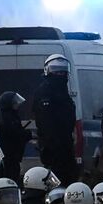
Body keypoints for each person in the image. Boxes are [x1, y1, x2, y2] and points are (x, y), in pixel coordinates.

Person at [34, 54, 80, 182]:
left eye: (63, 71)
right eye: (56, 71)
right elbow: (46, 124)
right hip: (53, 150)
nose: (60, 74)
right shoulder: (45, 92)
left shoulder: (63, 91)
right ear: (48, 71)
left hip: (65, 146)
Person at [0, 92, 32, 180]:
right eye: (15, 103)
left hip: (13, 154)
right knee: (11, 173)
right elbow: (14, 133)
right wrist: (27, 134)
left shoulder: (11, 115)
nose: (17, 105)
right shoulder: (6, 117)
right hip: (9, 153)